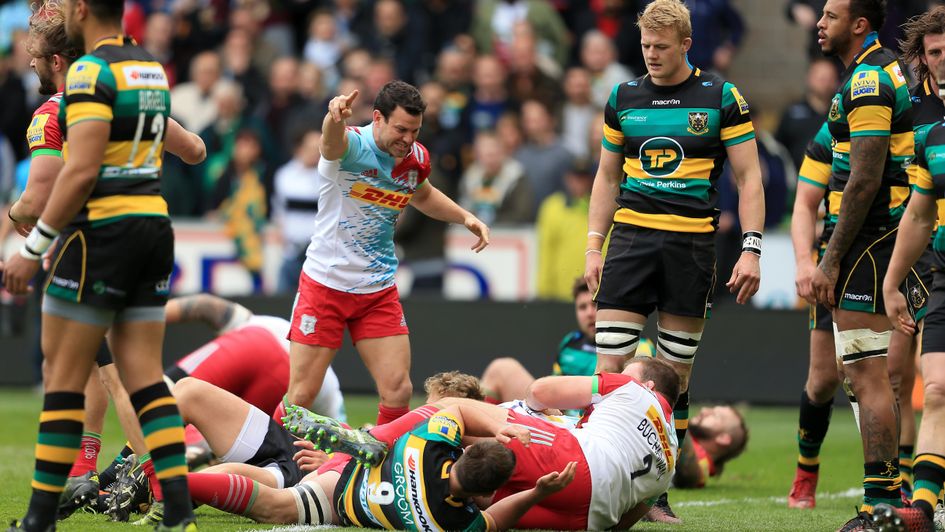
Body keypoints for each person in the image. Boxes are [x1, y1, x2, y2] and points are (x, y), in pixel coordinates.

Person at [2, 0, 208, 528]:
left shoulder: (85, 76)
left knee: (63, 377)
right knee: (143, 377)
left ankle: (39, 517)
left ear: (81, 9)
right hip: (155, 228)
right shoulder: (148, 70)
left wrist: (31, 247)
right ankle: (178, 510)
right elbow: (193, 148)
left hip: (99, 235)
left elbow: (78, 172)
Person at [585, 0, 764, 520]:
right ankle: (602, 474)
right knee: (610, 366)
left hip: (691, 247)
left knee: (674, 376)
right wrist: (594, 246)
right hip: (631, 242)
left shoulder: (721, 96)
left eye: (662, 47)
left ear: (687, 44)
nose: (652, 56)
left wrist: (751, 247)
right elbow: (606, 177)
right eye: (645, 46)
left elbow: (749, 179)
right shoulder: (623, 96)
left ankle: (656, 491)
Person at [282, 80, 490, 428]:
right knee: (302, 396)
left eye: (415, 130)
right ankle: (268, 459)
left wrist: (464, 217)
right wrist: (333, 117)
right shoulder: (350, 147)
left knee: (398, 390)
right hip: (325, 286)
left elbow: (422, 194)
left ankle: (381, 470)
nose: (408, 139)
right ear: (377, 118)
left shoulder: (415, 159)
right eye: (401, 129)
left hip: (377, 290)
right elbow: (330, 143)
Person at [805, 0, 917, 528]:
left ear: (859, 24)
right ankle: (894, 499)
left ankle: (883, 507)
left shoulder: (870, 79)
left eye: (829, 14)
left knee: (867, 374)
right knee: (875, 375)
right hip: (886, 235)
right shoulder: (879, 69)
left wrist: (829, 261)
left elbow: (865, 177)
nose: (820, 23)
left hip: (874, 237)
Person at [178, 403, 576, 529]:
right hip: (340, 499)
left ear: (464, 453)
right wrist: (539, 492)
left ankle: (370, 436)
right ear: (484, 493)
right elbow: (497, 521)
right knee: (275, 507)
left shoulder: (430, 445)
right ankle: (177, 486)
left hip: (349, 471)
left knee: (276, 488)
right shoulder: (452, 524)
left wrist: (498, 428)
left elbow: (452, 408)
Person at [870, 13, 945, 532]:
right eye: (936, 51)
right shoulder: (931, 134)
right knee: (935, 389)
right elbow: (919, 215)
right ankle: (921, 509)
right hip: (943, 271)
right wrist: (892, 282)